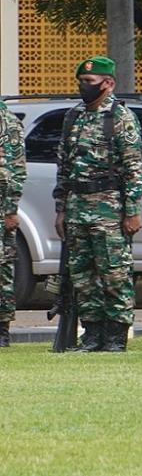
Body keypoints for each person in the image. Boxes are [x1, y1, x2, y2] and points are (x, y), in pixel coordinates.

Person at [51, 57, 142, 352]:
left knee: (114, 272)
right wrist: (61, 209)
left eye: (90, 82)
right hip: (77, 205)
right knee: (83, 274)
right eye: (81, 81)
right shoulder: (73, 116)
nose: (83, 86)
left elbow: (133, 169)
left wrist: (132, 211)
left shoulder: (120, 117)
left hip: (109, 207)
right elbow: (63, 166)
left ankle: (116, 336)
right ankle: (91, 334)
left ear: (108, 83)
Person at [0, 98, 26, 348]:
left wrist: (10, 209)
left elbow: (16, 170)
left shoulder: (8, 123)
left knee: (2, 271)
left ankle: (2, 329)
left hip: (1, 206)